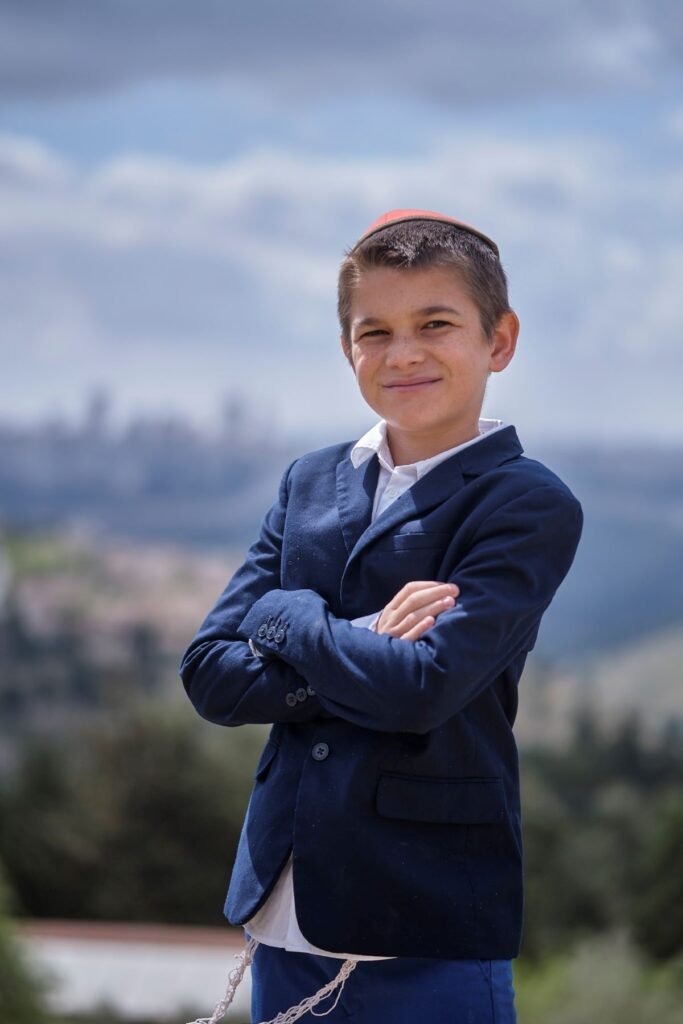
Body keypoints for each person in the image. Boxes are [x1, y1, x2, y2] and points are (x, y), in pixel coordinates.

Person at [179, 209, 584, 1023]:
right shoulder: (308, 480)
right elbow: (211, 675)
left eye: (435, 324)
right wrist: (361, 640)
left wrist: (289, 618)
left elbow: (422, 690)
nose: (401, 353)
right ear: (346, 349)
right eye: (375, 332)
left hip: (425, 913)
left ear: (498, 341)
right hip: (284, 912)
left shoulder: (526, 503)